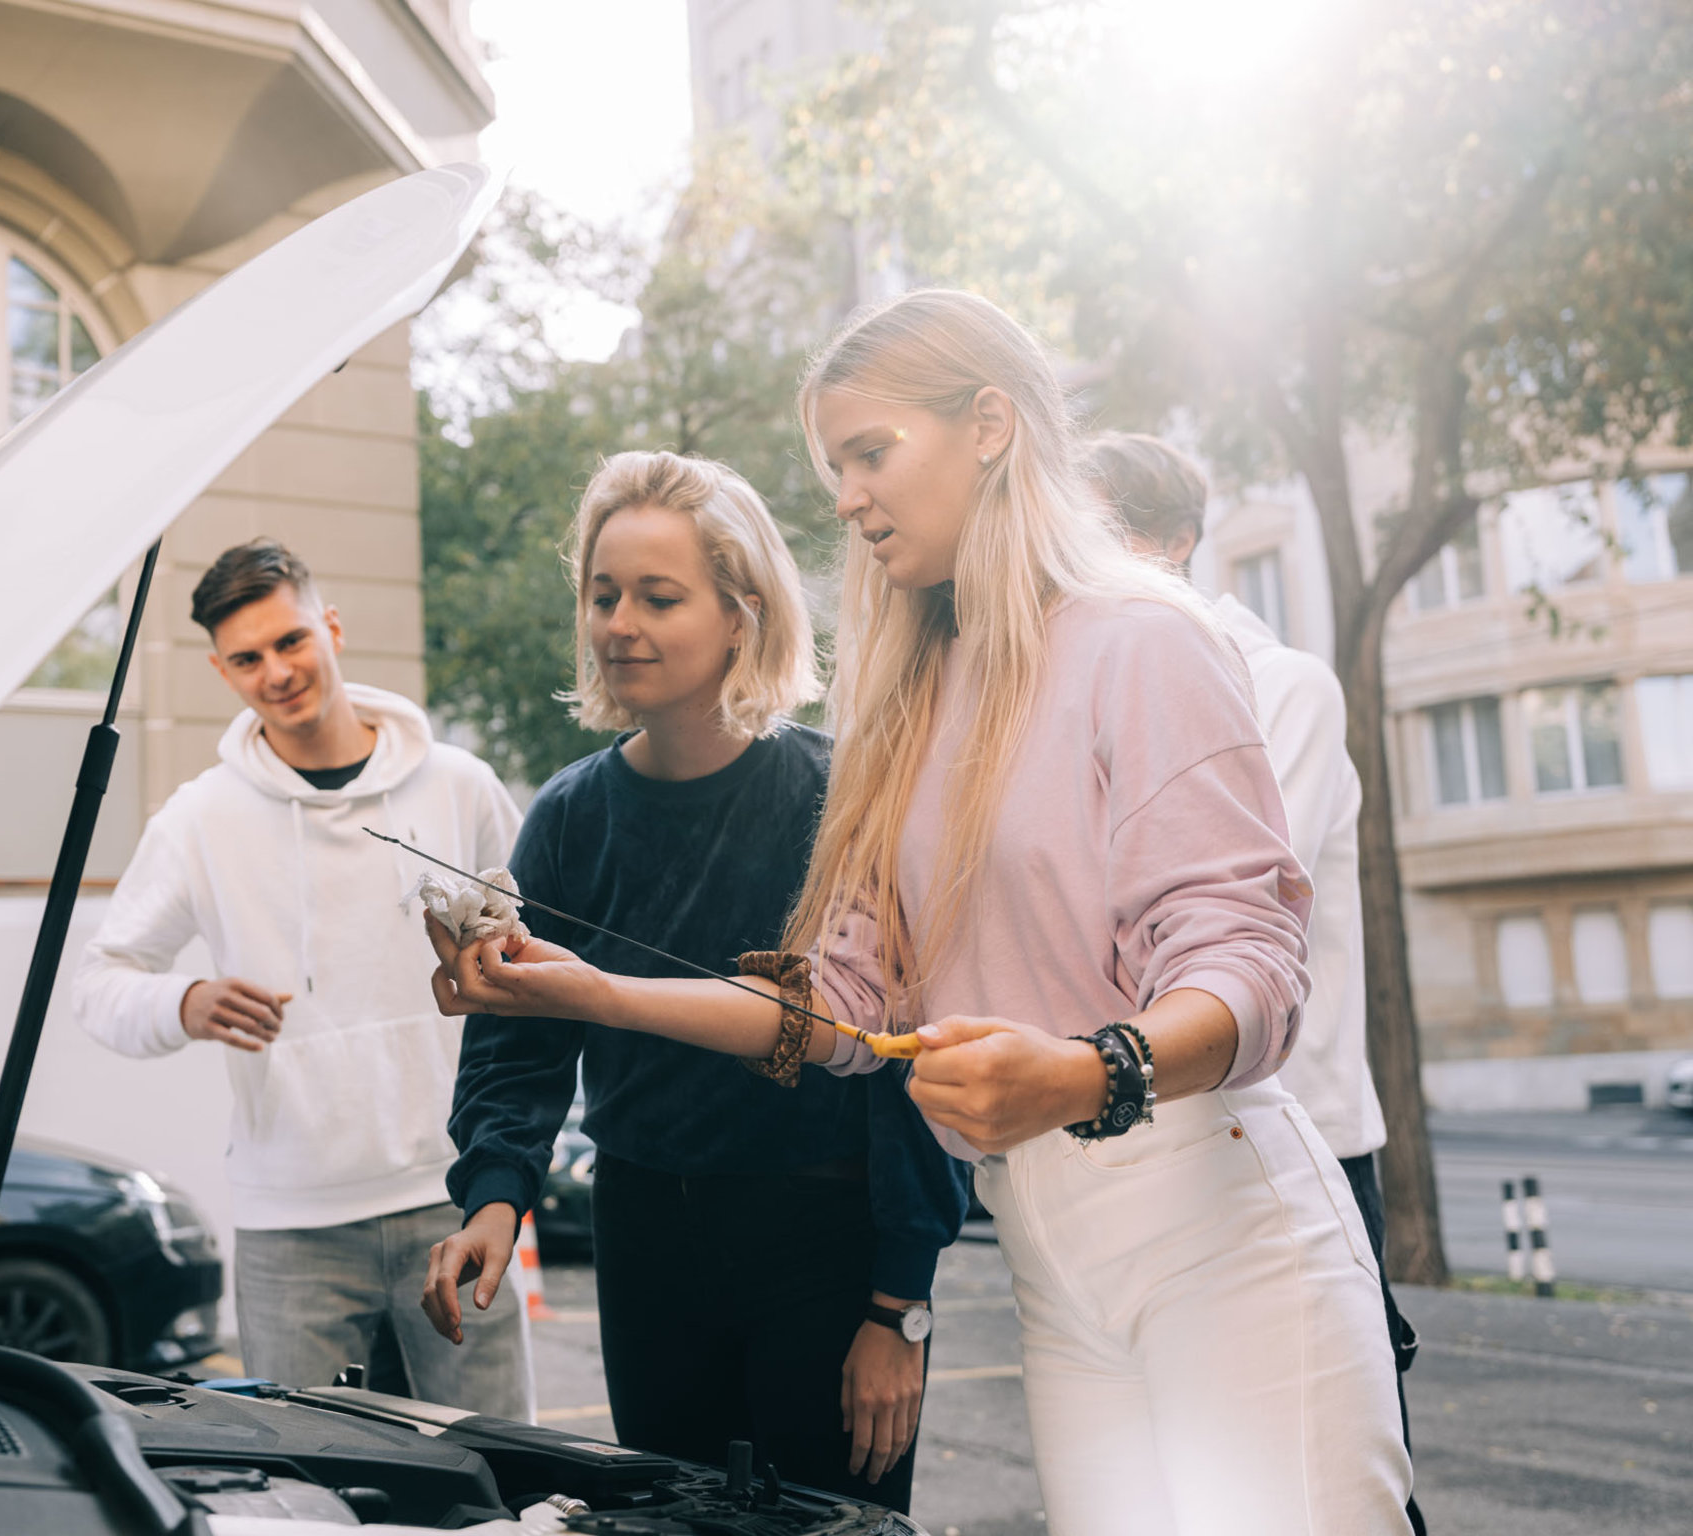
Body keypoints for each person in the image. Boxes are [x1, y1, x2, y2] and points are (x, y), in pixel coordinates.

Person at [421, 292, 1413, 1533]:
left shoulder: (1142, 638)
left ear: (990, 425)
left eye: (869, 454)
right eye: (831, 466)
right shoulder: (910, 693)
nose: (842, 497)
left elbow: (1253, 968)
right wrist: (583, 990)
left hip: (1215, 1217)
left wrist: (1086, 1071)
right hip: (1049, 1250)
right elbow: (835, 1007)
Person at [420, 450, 966, 1510]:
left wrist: (900, 1306)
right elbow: (518, 1045)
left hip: (827, 1244)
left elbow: (908, 1056)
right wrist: (495, 1198)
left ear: (742, 614)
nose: (618, 622)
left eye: (657, 596)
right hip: (644, 1239)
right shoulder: (570, 813)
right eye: (601, 593)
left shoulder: (845, 793)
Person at [72, 538, 531, 1417]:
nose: (276, 671)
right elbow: (100, 982)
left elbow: (526, 963)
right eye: (247, 658)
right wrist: (186, 1002)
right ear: (221, 670)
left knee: (500, 1480)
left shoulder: (458, 787)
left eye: (290, 641)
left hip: (456, 1197)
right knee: (304, 1498)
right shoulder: (200, 820)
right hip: (293, 1227)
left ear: (331, 627)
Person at [1089, 429, 1426, 1534]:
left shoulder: (1279, 685)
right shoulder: (1087, 686)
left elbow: (1201, 897)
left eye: (1097, 530)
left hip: (1296, 1145)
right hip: (1161, 1149)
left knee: (1332, 1491)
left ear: (1175, 542)